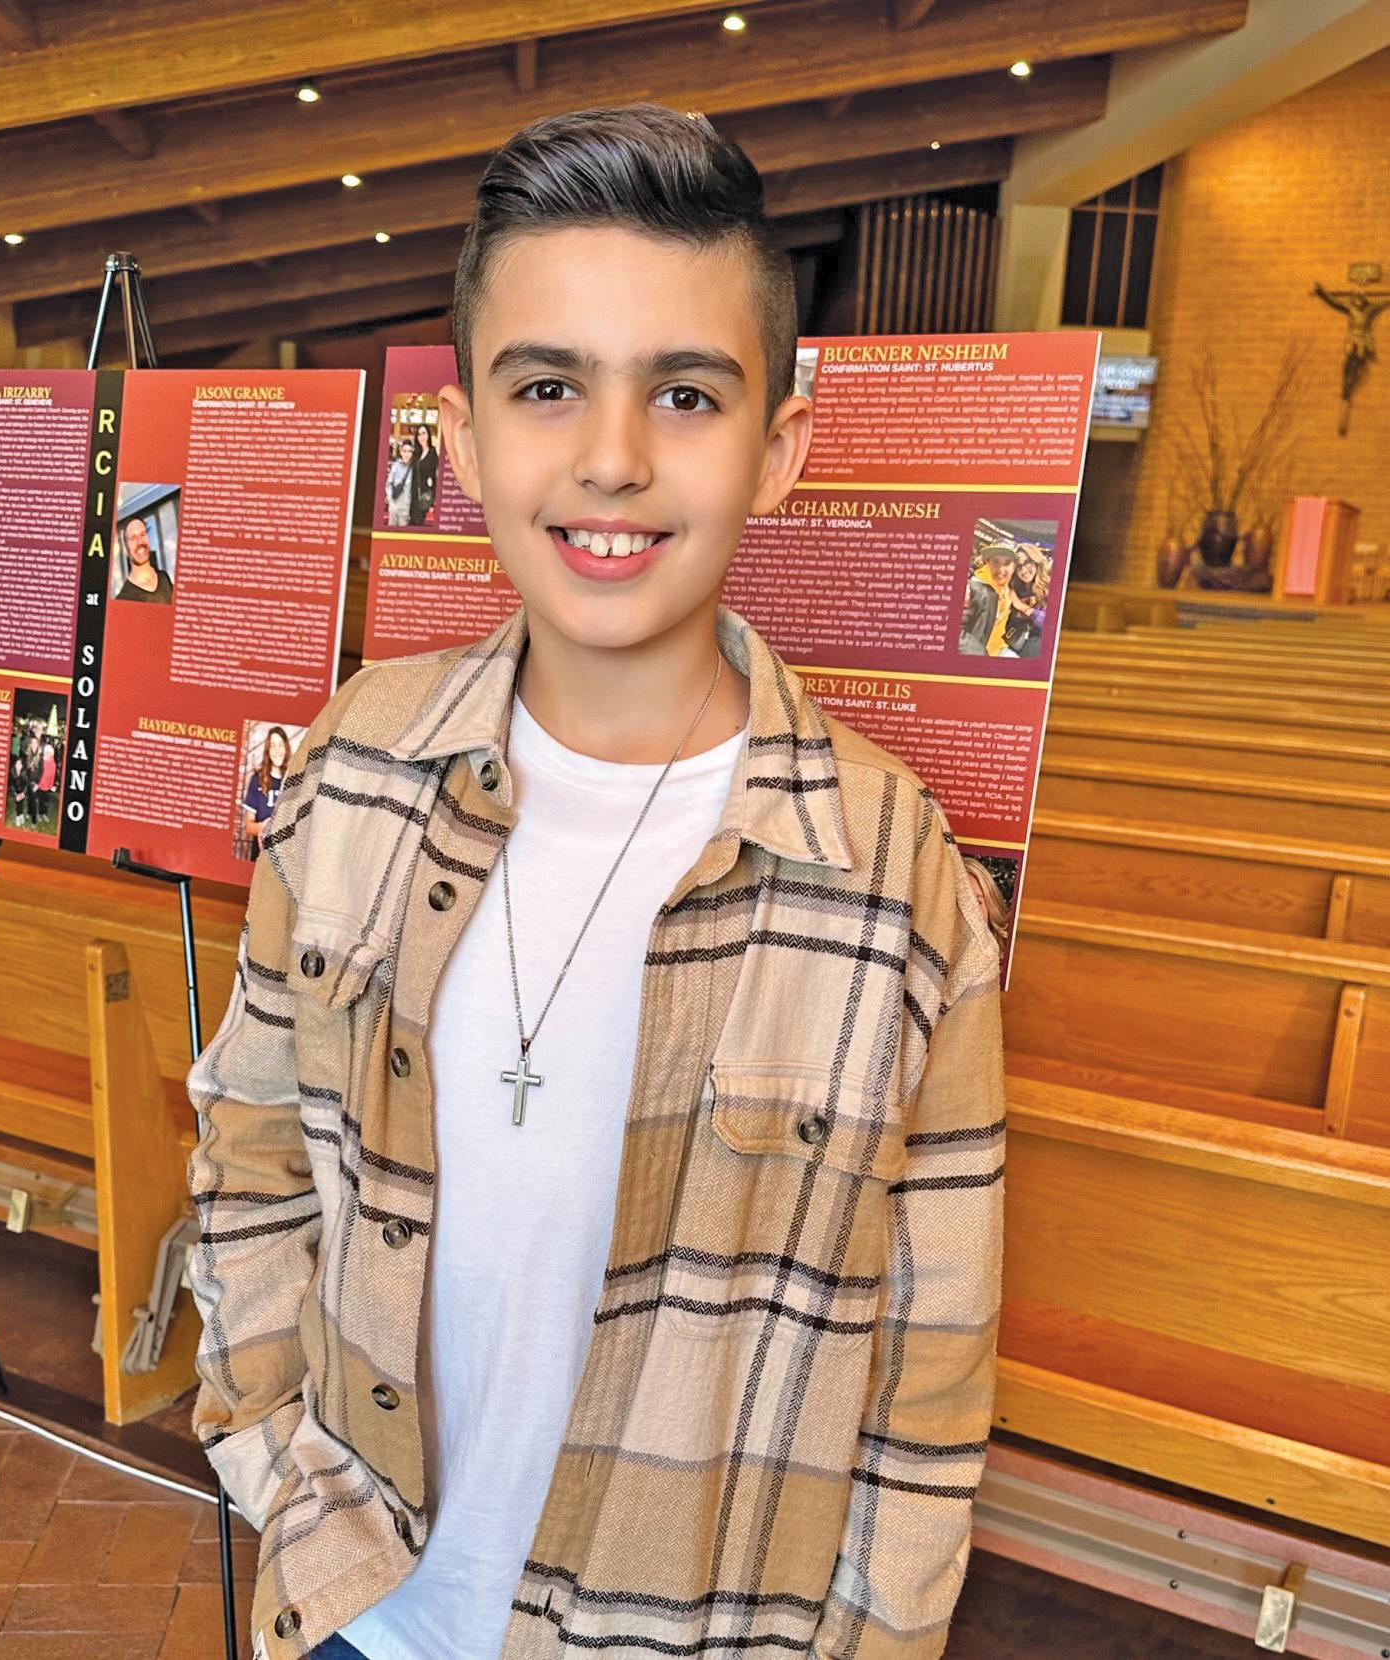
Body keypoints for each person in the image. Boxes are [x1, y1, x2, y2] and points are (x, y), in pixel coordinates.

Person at [185, 104, 1005, 1660]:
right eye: (548, 387)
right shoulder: (354, 768)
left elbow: (931, 1360)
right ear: (466, 439)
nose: (613, 461)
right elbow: (253, 1151)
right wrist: (273, 1459)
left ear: (776, 451)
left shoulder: (896, 876)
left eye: (684, 395)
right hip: (361, 1606)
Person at [240, 725, 291, 860]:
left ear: (286, 748)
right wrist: (262, 827)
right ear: (268, 750)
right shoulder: (257, 779)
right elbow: (248, 827)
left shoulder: (293, 779)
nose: (277, 750)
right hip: (260, 857)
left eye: (280, 745)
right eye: (273, 745)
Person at [959, 543, 1016, 655]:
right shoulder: (975, 590)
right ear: (988, 564)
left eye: (1007, 563)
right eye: (995, 562)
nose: (1001, 569)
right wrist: (980, 654)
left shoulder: (1007, 589)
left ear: (1014, 567)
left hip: (999, 647)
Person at [1002, 543, 1050, 659]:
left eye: (1027, 562)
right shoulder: (1012, 586)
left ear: (1036, 561)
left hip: (1036, 643)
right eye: (1019, 566)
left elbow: (1052, 624)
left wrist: (1024, 608)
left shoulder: (1049, 587)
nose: (1023, 571)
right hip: (1012, 641)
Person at [114, 514, 175, 602]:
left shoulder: (163, 577)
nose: (140, 542)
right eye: (133, 538)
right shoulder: (123, 600)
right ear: (126, 549)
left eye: (143, 534)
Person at [408, 422, 439, 524]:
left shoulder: (432, 452)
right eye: (419, 434)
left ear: (428, 435)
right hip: (412, 494)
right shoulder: (416, 453)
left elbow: (434, 477)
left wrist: (433, 500)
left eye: (424, 433)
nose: (421, 437)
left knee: (419, 522)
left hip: (424, 495)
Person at [385, 437, 416, 525]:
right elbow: (389, 484)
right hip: (393, 508)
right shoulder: (395, 466)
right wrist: (390, 499)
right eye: (404, 451)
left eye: (409, 451)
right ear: (401, 452)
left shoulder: (414, 468)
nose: (407, 454)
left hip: (406, 509)